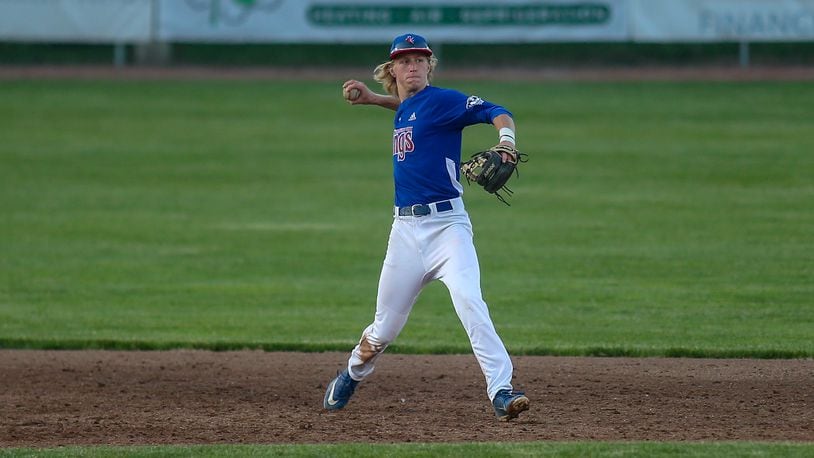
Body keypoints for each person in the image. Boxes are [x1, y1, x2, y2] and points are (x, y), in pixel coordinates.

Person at [323, 33, 529, 421]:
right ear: (393, 69)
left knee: (470, 302)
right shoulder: (408, 105)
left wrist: (505, 142)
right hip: (404, 234)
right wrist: (371, 99)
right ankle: (353, 372)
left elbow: (497, 110)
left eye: (420, 59)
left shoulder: (445, 100)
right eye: (404, 60)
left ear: (429, 66)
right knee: (384, 329)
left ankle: (501, 390)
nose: (412, 65)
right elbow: (407, 108)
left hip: (449, 227)